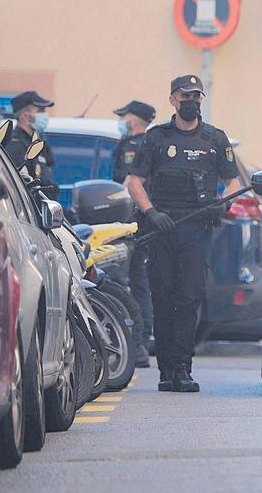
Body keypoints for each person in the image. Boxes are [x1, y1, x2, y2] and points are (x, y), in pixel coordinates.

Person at [124, 76, 240, 393]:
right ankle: (166, 370)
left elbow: (233, 183)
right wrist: (151, 213)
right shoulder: (156, 139)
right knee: (163, 300)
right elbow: (134, 182)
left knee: (189, 299)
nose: (193, 102)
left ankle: (183, 368)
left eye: (197, 97)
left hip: (196, 230)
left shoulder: (215, 139)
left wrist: (221, 205)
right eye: (186, 96)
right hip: (161, 229)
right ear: (173, 100)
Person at [111, 99, 157, 368]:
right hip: (130, 220)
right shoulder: (126, 145)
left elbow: (129, 183)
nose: (121, 120)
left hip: (136, 220)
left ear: (134, 120)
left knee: (137, 280)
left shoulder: (140, 145)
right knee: (134, 281)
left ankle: (139, 342)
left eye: (124, 116)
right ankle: (136, 342)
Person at [3, 90, 58, 199]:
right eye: (41, 110)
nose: (45, 115)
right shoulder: (14, 146)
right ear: (25, 116)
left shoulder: (37, 142)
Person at [112, 100, 156, 183]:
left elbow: (130, 180)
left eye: (123, 117)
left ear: (133, 122)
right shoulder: (150, 142)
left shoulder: (133, 146)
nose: (120, 121)